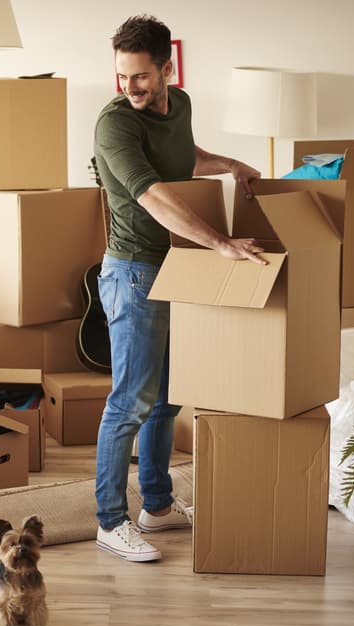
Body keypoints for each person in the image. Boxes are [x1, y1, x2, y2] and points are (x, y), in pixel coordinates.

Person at [92, 15, 266, 562]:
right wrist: (220, 243)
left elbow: (181, 159)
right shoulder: (114, 124)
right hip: (134, 273)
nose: (130, 88)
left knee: (167, 400)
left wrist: (229, 164)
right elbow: (154, 196)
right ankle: (110, 520)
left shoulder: (181, 104)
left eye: (140, 77)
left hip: (175, 268)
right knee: (130, 402)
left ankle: (158, 506)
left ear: (167, 68)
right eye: (122, 77)